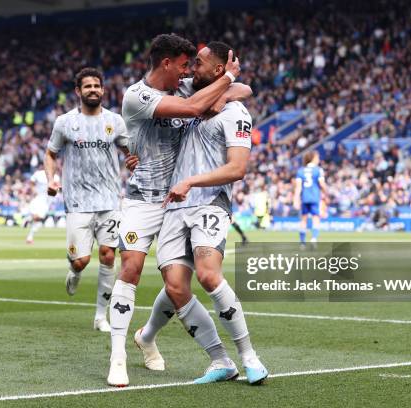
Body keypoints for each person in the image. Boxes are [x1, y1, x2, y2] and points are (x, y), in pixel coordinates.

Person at [107, 33, 246, 387]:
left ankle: (149, 336)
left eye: (192, 67)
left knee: (177, 282)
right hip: (142, 199)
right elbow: (194, 108)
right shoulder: (137, 96)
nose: (188, 73)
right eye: (184, 66)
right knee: (131, 266)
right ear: (166, 63)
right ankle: (117, 355)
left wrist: (227, 91)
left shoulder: (183, 86)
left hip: (177, 202)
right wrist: (225, 81)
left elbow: (246, 91)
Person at [136, 42, 268, 385]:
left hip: (209, 202)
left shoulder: (236, 113)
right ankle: (220, 361)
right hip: (175, 207)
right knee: (176, 285)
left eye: (199, 64)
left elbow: (237, 169)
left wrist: (192, 180)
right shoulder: (190, 95)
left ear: (218, 71)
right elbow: (238, 85)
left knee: (209, 275)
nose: (192, 69)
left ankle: (250, 356)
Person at [45, 67, 131, 333]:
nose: (93, 90)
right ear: (78, 91)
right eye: (87, 86)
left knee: (108, 256)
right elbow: (51, 154)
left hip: (109, 200)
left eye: (97, 86)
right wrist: (51, 180)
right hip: (77, 201)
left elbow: (130, 153)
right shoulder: (65, 123)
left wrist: (135, 163)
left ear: (103, 90)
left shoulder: (115, 121)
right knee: (81, 260)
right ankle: (75, 271)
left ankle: (100, 317)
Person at [293, 151, 327, 249]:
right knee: (316, 218)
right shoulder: (318, 170)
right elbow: (322, 184)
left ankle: (302, 243)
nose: (319, 159)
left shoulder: (300, 171)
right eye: (318, 157)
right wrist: (326, 192)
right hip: (315, 197)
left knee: (303, 220)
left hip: (304, 198)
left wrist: (295, 199)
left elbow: (298, 187)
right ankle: (313, 239)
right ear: (314, 158)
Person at [24, 164, 57, 244]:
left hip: (47, 200)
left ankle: (28, 220)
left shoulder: (55, 176)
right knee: (37, 218)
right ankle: (30, 237)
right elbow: (31, 181)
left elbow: (56, 188)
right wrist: (33, 189)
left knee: (39, 219)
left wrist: (54, 191)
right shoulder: (38, 174)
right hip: (38, 197)